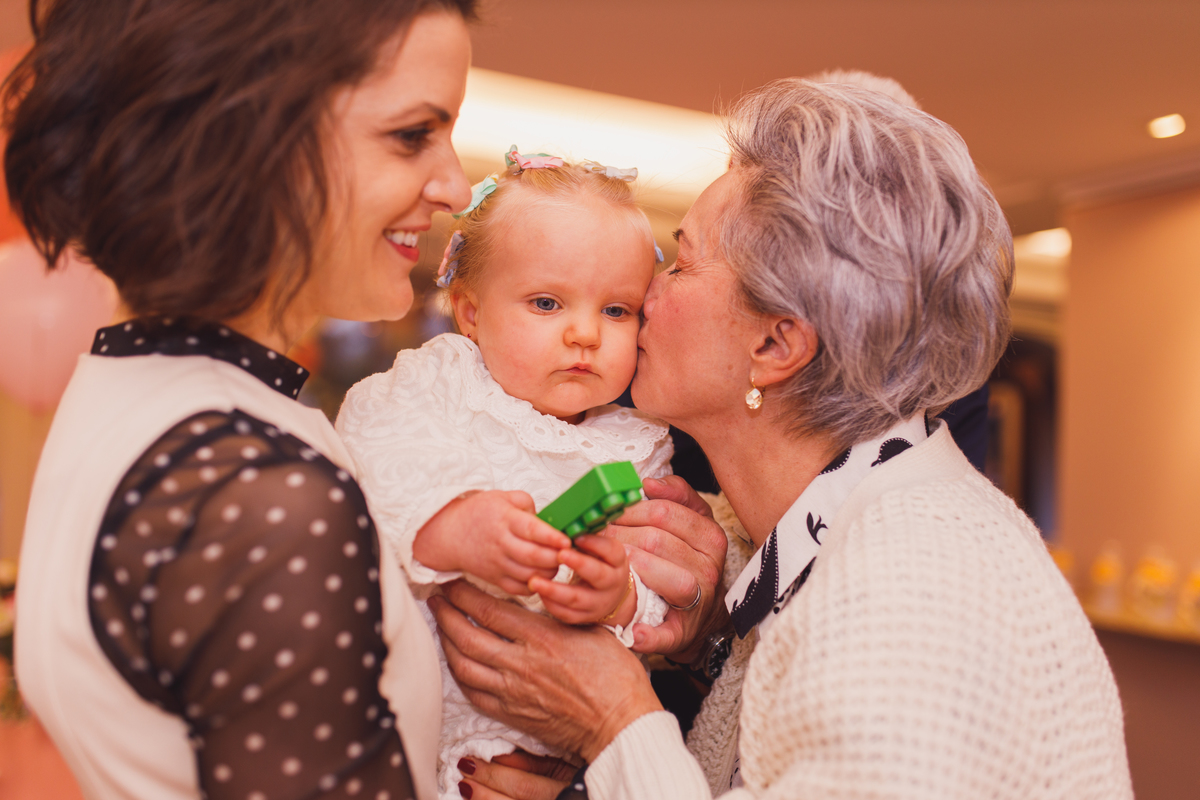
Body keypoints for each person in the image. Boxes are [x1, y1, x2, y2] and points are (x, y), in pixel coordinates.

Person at [429, 77, 1134, 799]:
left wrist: (615, 723)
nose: (644, 295)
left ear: (774, 346)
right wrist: (705, 639)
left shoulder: (913, 590)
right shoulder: (812, 538)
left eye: (683, 262)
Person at [5, 2, 478, 798]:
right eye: (411, 135)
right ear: (255, 139)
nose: (455, 185)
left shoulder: (132, 387)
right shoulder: (258, 490)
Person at [335, 150, 673, 798]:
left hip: (549, 748)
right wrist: (456, 523)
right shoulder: (443, 381)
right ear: (470, 313)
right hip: (401, 716)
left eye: (617, 310)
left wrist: (620, 596)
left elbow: (657, 577)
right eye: (547, 303)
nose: (584, 334)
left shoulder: (637, 444)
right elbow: (374, 446)